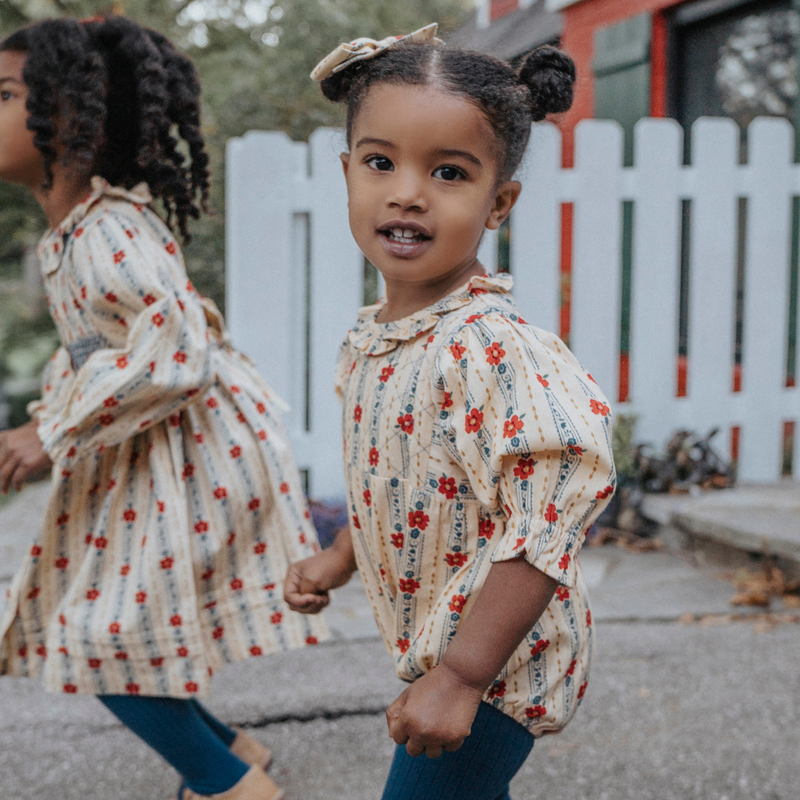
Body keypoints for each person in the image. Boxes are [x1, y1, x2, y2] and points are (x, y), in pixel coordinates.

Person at [284, 25, 616, 800]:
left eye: (449, 171)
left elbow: (549, 509)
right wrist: (338, 559)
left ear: (499, 202)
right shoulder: (381, 338)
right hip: (448, 647)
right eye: (380, 161)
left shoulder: (490, 350)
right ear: (347, 176)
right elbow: (397, 475)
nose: (407, 190)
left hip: (502, 660)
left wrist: (462, 676)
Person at [0, 15, 325, 800]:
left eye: (5, 94)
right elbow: (98, 348)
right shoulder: (76, 232)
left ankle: (230, 788)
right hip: (159, 449)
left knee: (100, 636)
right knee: (123, 625)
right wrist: (47, 419)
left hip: (192, 454)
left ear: (71, 119)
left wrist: (51, 430)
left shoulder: (106, 230)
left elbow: (178, 349)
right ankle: (234, 750)